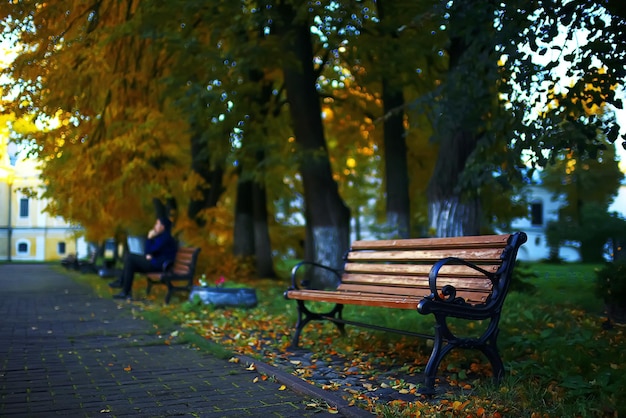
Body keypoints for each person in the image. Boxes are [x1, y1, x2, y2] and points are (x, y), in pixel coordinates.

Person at [110, 216, 178, 300]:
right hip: (155, 263)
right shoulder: (161, 237)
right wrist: (149, 253)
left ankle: (123, 287)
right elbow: (147, 252)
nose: (155, 226)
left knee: (130, 258)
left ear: (162, 227)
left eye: (157, 224)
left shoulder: (165, 238)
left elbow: (152, 250)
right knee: (130, 261)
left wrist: (149, 238)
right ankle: (124, 288)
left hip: (159, 266)